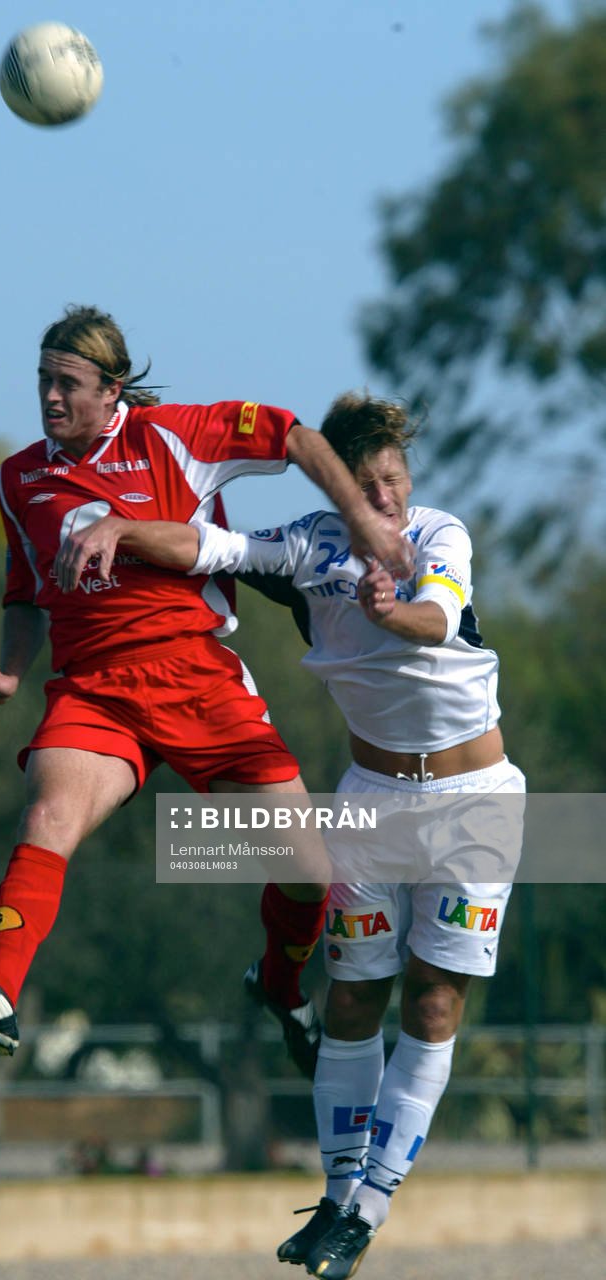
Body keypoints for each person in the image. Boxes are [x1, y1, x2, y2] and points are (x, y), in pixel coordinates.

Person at [93, 392, 526, 1278]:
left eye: (394, 481)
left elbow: (437, 617)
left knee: (433, 1002)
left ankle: (368, 1209)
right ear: (339, 492)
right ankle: (334, 1199)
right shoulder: (308, 543)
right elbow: (212, 547)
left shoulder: (439, 536)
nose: (386, 500)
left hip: (474, 801)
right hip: (370, 799)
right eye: (366, 487)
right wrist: (118, 526)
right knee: (353, 1000)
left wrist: (386, 612)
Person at [0, 308, 414, 1076]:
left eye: (67, 384)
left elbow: (294, 433)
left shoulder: (175, 435)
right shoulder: (17, 477)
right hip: (93, 690)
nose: (50, 398)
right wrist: (11, 672)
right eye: (42, 381)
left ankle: (279, 982)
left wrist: (360, 517)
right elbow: (24, 593)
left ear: (112, 389)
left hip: (195, 675)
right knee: (49, 813)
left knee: (309, 877)